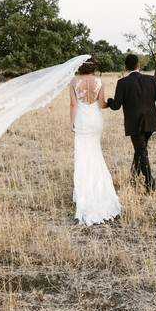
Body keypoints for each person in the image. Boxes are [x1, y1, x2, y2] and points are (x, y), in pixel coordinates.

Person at [106, 54, 156, 191]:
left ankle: (150, 183)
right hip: (151, 122)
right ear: (139, 65)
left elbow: (116, 105)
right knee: (140, 149)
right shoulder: (151, 80)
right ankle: (133, 177)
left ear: (126, 67)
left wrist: (109, 101)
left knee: (141, 151)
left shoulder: (122, 82)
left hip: (134, 124)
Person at [68, 57, 121, 224]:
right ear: (93, 67)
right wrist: (110, 103)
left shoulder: (74, 81)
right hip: (96, 120)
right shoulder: (99, 81)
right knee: (96, 155)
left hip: (82, 121)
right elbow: (101, 104)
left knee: (83, 157)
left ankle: (84, 194)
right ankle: (101, 193)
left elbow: (73, 105)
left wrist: (72, 122)